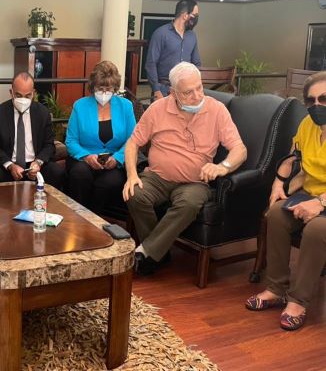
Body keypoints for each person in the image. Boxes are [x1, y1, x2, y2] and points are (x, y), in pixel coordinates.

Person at [123, 62, 247, 275]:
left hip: (195, 181)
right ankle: (158, 253)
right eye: (188, 92)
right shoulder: (157, 109)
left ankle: (147, 253)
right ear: (173, 93)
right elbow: (133, 143)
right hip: (158, 177)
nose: (197, 96)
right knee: (135, 193)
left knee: (189, 202)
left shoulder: (216, 110)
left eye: (199, 88)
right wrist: (132, 175)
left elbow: (240, 149)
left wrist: (222, 166)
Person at [245, 71, 326, 331]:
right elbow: (293, 159)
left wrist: (320, 204)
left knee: (316, 228)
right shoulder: (308, 125)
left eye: (323, 99)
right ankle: (276, 288)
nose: (317, 106)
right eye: (311, 101)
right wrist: (278, 185)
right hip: (311, 193)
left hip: (322, 202)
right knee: (277, 213)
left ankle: (299, 300)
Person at [65, 61, 136, 213]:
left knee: (108, 182)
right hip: (83, 159)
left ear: (115, 88)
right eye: (99, 89)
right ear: (93, 87)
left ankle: (94, 222)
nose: (103, 93)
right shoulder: (80, 105)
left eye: (108, 89)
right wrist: (86, 156)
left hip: (114, 162)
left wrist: (117, 158)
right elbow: (71, 141)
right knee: (80, 175)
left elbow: (132, 140)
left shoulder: (126, 106)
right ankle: (77, 219)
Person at [0, 72, 65, 190]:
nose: (23, 100)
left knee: (56, 171)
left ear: (33, 94)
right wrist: (11, 166)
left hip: (34, 167)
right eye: (19, 95)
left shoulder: (43, 113)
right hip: (9, 168)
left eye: (27, 96)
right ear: (11, 93)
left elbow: (49, 145)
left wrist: (38, 163)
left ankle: (46, 206)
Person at [145, 0, 201, 102]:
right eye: (195, 15)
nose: (197, 18)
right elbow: (151, 63)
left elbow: (196, 63)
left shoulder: (192, 36)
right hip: (163, 89)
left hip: (185, 89)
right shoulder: (161, 33)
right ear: (185, 15)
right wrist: (156, 90)